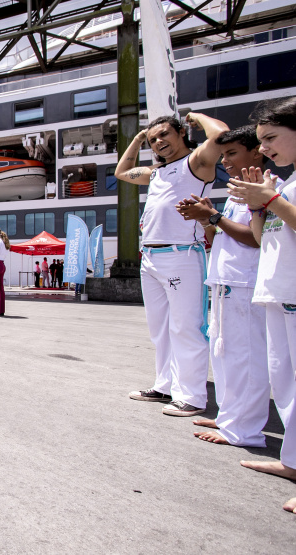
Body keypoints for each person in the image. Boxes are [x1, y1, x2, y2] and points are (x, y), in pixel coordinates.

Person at [120, 112, 229, 417]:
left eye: (164, 134)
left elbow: (221, 135)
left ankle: (192, 396)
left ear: (181, 132)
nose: (159, 142)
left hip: (182, 255)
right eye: (153, 139)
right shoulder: (156, 173)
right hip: (150, 257)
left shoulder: (196, 163)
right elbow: (122, 171)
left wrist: (196, 117)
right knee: (160, 329)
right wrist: (138, 139)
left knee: (187, 327)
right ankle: (165, 385)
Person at [176, 126, 269, 448]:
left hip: (245, 283)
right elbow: (220, 239)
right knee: (224, 354)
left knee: (246, 358)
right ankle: (230, 415)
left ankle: (244, 430)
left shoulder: (264, 189)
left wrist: (213, 216)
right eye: (223, 155)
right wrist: (204, 219)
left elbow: (254, 238)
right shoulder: (236, 193)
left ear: (256, 152)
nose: (225, 161)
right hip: (226, 282)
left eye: (232, 154)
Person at [227, 97, 296, 514]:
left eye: (271, 138)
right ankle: (293, 461)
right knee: (285, 383)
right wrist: (258, 203)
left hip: (291, 291)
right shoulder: (285, 185)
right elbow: (260, 234)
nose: (265, 147)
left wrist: (268, 199)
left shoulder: (282, 190)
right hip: (277, 291)